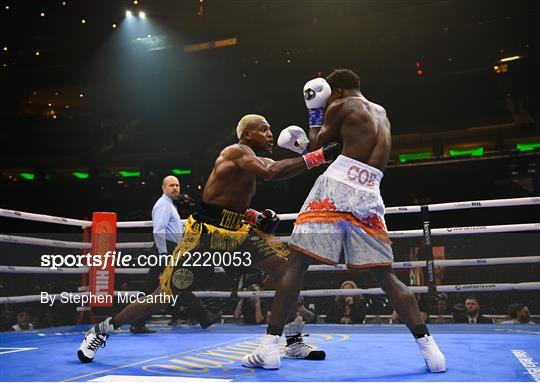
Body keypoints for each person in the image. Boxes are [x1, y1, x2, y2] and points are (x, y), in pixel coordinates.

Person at [77, 113, 339, 363]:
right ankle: (101, 331)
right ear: (247, 134)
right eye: (264, 129)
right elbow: (270, 172)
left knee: (287, 272)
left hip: (238, 232)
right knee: (165, 294)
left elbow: (262, 176)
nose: (271, 134)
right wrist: (317, 157)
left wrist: (255, 216)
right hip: (205, 234)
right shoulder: (236, 151)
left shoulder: (250, 159)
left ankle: (292, 341)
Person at [244, 69, 446, 372]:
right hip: (370, 193)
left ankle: (269, 348)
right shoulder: (381, 112)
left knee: (296, 265)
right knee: (385, 276)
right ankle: (432, 353)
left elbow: (317, 146)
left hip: (337, 187)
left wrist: (314, 112)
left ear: (335, 92)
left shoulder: (339, 106)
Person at [130, 176, 220, 334]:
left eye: (177, 185)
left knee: (153, 287)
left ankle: (136, 322)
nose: (175, 188)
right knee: (178, 283)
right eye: (171, 185)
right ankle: (204, 317)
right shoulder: (163, 205)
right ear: (163, 188)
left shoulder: (170, 205)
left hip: (168, 249)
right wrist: (164, 253)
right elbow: (159, 230)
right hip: (164, 249)